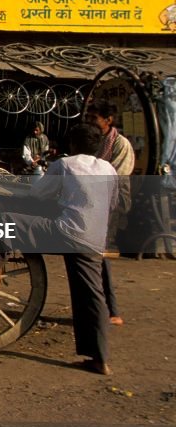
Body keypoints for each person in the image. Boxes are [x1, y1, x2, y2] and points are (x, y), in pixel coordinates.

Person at [0, 123, 118, 375]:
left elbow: (38, 195)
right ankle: (100, 359)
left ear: (73, 144)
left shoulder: (65, 165)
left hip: (66, 232)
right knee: (92, 296)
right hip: (93, 238)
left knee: (5, 220)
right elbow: (110, 203)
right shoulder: (109, 169)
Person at [84, 99, 134, 326]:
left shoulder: (120, 144)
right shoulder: (95, 140)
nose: (91, 122)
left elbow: (115, 176)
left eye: (95, 118)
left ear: (108, 120)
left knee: (99, 255)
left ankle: (112, 309)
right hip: (95, 199)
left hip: (113, 200)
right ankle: (102, 307)